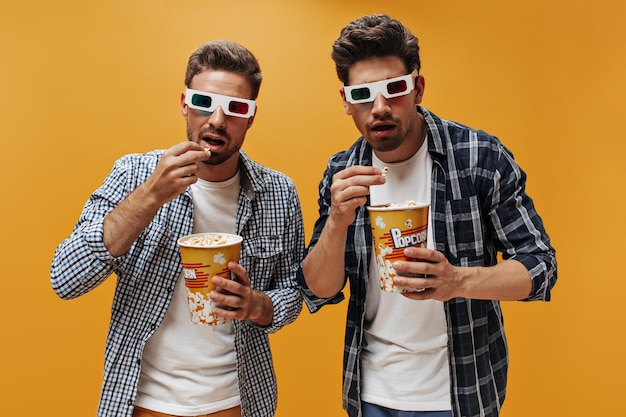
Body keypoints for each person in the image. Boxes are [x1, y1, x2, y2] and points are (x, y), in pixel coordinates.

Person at [298, 14, 557, 417]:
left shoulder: (479, 158)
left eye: (394, 89)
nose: (380, 107)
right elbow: (319, 290)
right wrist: (336, 222)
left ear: (418, 88)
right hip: (371, 393)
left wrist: (457, 280)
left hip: (462, 392)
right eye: (363, 94)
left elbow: (541, 267)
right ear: (346, 101)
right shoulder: (340, 172)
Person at [51, 40, 305, 417]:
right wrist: (151, 195)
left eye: (235, 109)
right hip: (142, 402)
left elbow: (293, 293)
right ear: (185, 104)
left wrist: (256, 305)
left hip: (237, 402)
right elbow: (65, 279)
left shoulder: (278, 193)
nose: (217, 121)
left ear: (251, 117)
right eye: (204, 103)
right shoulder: (134, 174)